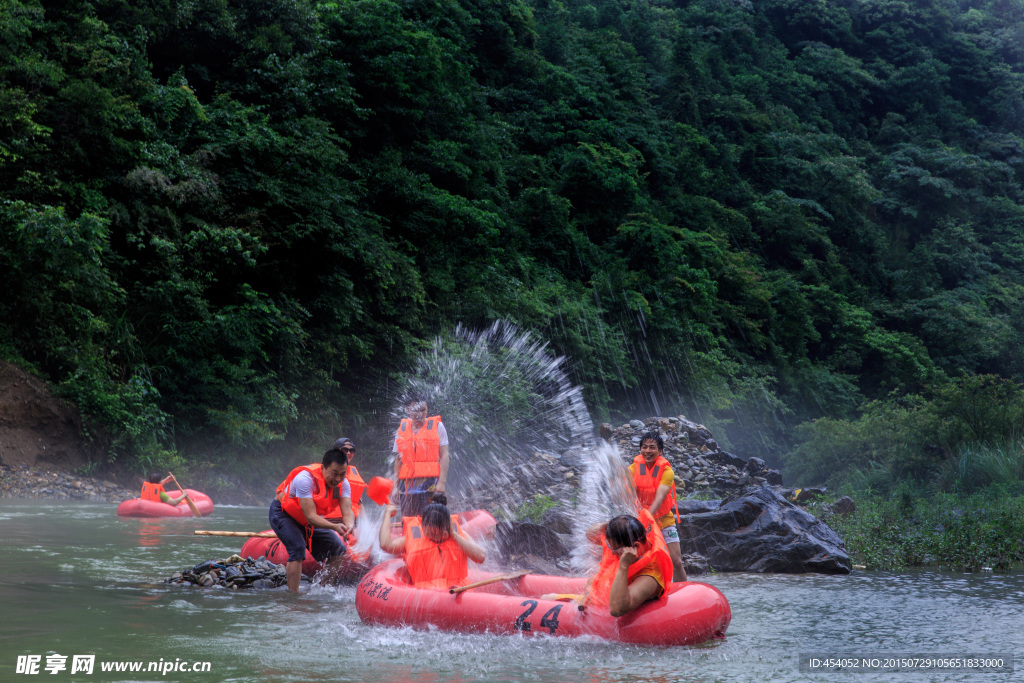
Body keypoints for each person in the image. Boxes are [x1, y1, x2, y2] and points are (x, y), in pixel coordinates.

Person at [270, 448, 355, 592]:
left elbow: (347, 511)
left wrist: (349, 525)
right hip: (284, 513)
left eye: (342, 474)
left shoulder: (344, 484)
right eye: (334, 473)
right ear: (323, 468)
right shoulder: (305, 479)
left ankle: (324, 589)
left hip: (309, 520)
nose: (338, 479)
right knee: (297, 548)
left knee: (339, 549)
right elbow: (310, 516)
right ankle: (293, 597)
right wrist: (335, 527)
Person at [378, 494, 485, 589]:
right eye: (430, 533)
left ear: (448, 527)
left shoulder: (460, 536)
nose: (435, 537)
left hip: (459, 595)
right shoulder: (412, 538)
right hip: (427, 598)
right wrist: (387, 515)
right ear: (423, 527)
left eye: (438, 533)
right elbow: (385, 545)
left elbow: (480, 557)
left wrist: (455, 535)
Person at [584, 510, 674, 617]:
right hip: (598, 597)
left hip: (615, 606)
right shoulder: (632, 537)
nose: (612, 552)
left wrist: (623, 566)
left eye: (616, 550)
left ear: (634, 546)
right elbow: (590, 535)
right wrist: (608, 525)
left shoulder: (651, 576)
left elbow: (616, 609)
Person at [630, 431, 687, 582]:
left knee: (676, 561)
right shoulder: (634, 469)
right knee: (641, 562)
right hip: (641, 522)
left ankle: (681, 593)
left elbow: (661, 497)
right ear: (640, 449)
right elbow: (626, 491)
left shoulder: (667, 471)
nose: (648, 451)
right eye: (644, 447)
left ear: (660, 451)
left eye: (652, 447)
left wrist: (648, 519)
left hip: (663, 520)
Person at [393, 395, 450, 517]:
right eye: (415, 410)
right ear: (407, 409)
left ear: (427, 409)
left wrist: (442, 482)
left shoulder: (437, 426)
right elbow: (398, 460)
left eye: (423, 410)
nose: (419, 414)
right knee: (408, 520)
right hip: (406, 485)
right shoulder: (401, 429)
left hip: (430, 484)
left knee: (430, 519)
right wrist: (394, 486)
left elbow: (445, 455)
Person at [333, 437, 366, 519]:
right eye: (345, 450)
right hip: (331, 520)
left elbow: (359, 502)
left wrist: (365, 523)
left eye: (351, 451)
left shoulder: (354, 473)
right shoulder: (327, 471)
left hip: (353, 520)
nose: (348, 453)